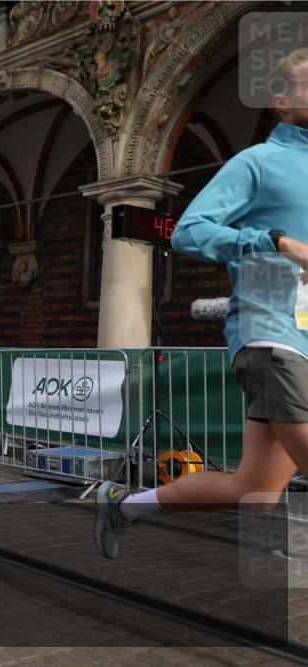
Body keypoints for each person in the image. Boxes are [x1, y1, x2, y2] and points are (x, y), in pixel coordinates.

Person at [95, 48, 308, 560]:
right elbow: (189, 231)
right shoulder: (259, 162)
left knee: (251, 488)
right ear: (280, 101)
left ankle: (125, 506)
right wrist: (274, 240)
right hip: (271, 335)